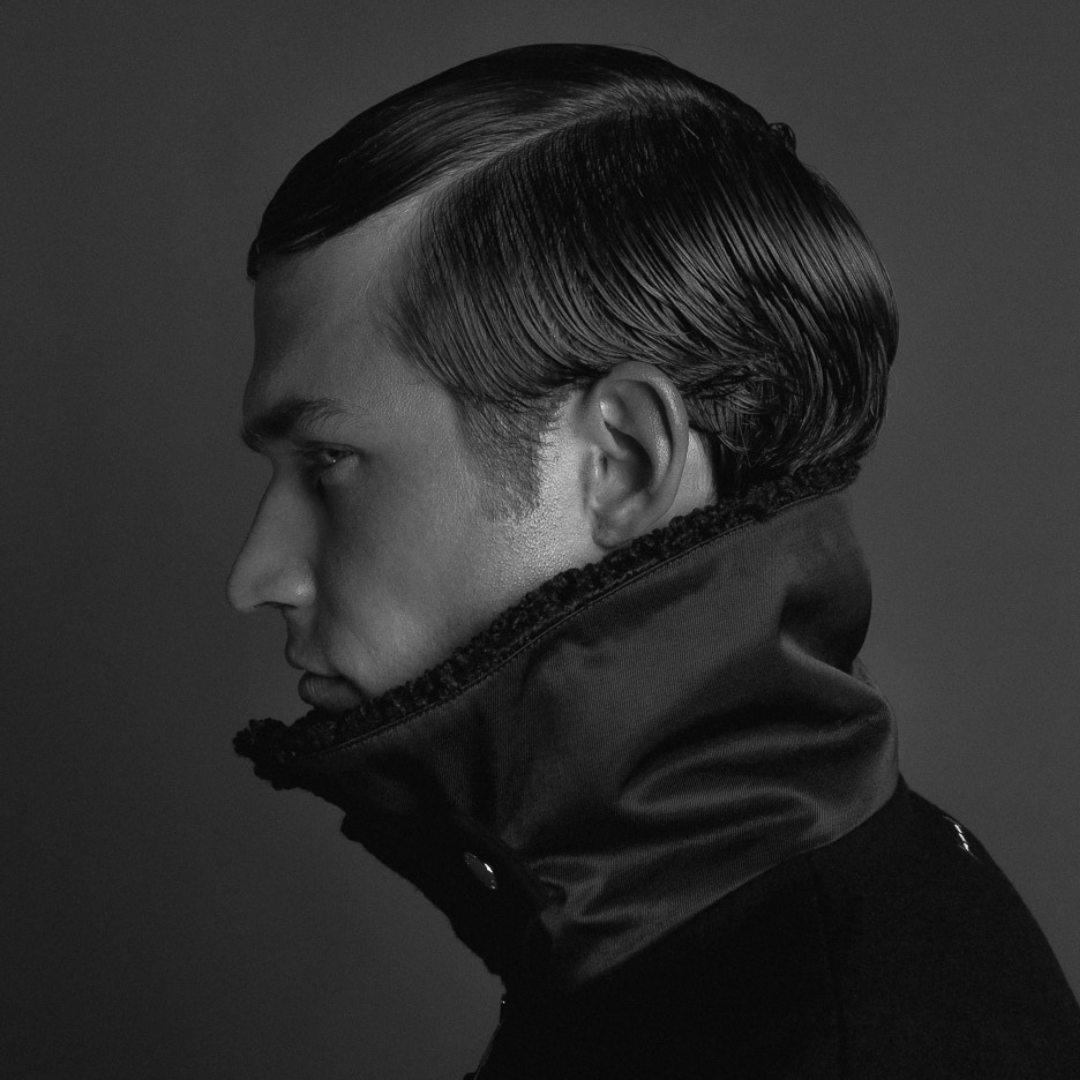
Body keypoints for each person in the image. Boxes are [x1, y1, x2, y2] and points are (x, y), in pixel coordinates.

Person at [228, 43, 1080, 1078]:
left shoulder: (842, 1032)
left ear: (621, 463)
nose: (258, 574)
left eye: (328, 465)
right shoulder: (692, 940)